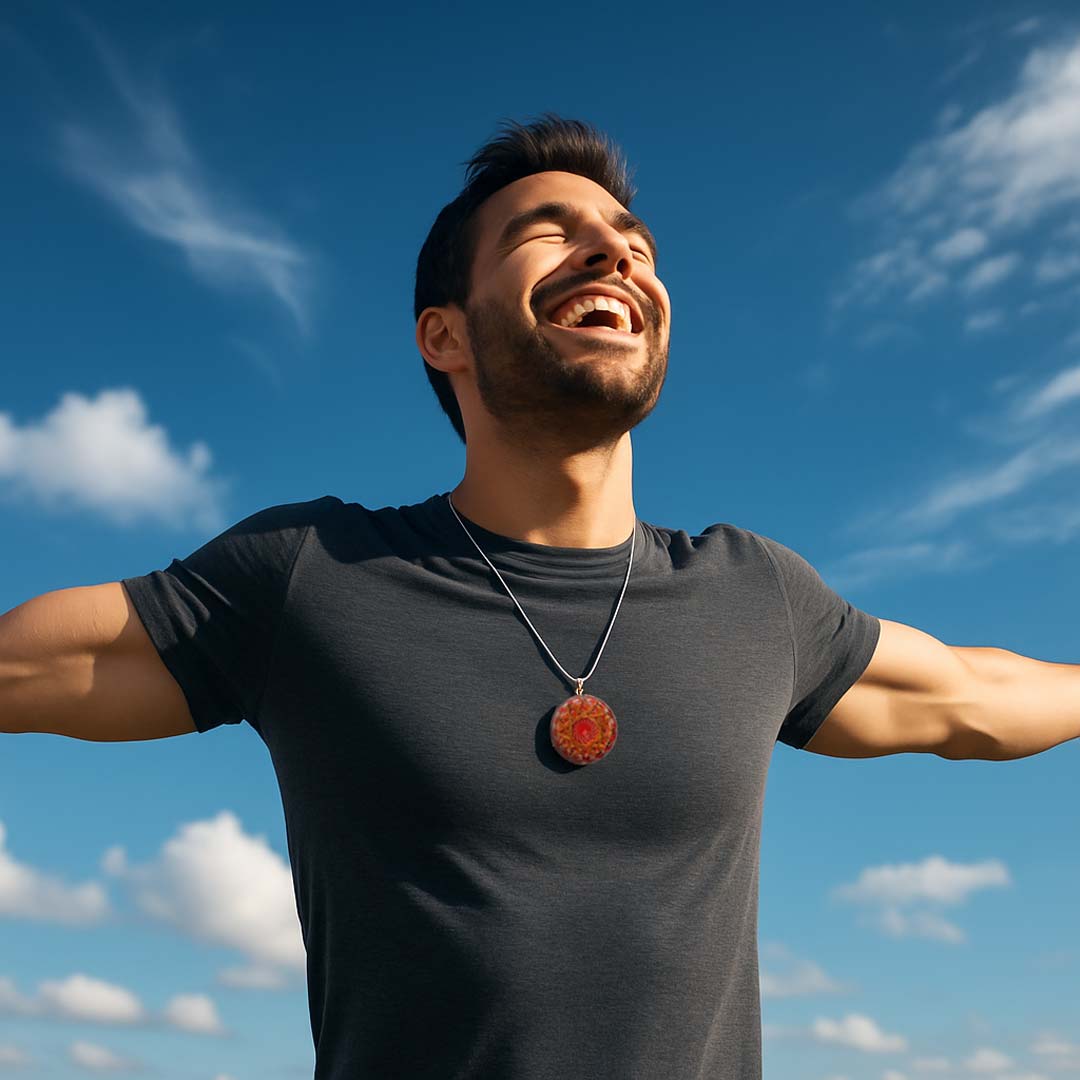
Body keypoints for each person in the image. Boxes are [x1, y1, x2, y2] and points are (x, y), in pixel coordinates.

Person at [8, 113, 1041, 1080]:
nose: (613, 253)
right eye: (549, 233)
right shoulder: (310, 573)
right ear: (443, 336)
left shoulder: (756, 596)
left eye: (633, 240)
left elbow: (971, 697)